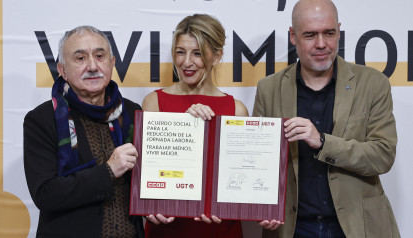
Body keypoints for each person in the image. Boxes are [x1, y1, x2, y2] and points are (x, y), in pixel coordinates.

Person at [253, 0, 400, 237]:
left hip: (357, 226)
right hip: (293, 228)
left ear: (339, 31)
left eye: (329, 33)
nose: (321, 44)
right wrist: (259, 206)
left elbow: (383, 156)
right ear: (293, 36)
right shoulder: (268, 89)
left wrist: (322, 142)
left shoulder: (373, 84)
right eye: (310, 35)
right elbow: (257, 162)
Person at [23, 26, 144, 237]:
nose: (93, 66)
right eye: (80, 58)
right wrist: (108, 171)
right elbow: (45, 194)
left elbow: (148, 179)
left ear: (112, 62)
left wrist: (160, 207)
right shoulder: (42, 120)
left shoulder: (133, 112)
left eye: (100, 56)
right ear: (62, 70)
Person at [142, 14, 248, 238]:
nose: (186, 62)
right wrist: (184, 124)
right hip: (168, 228)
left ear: (217, 56)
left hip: (220, 228)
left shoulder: (236, 109)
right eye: (180, 52)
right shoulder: (154, 102)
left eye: (197, 53)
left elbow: (240, 181)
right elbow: (147, 174)